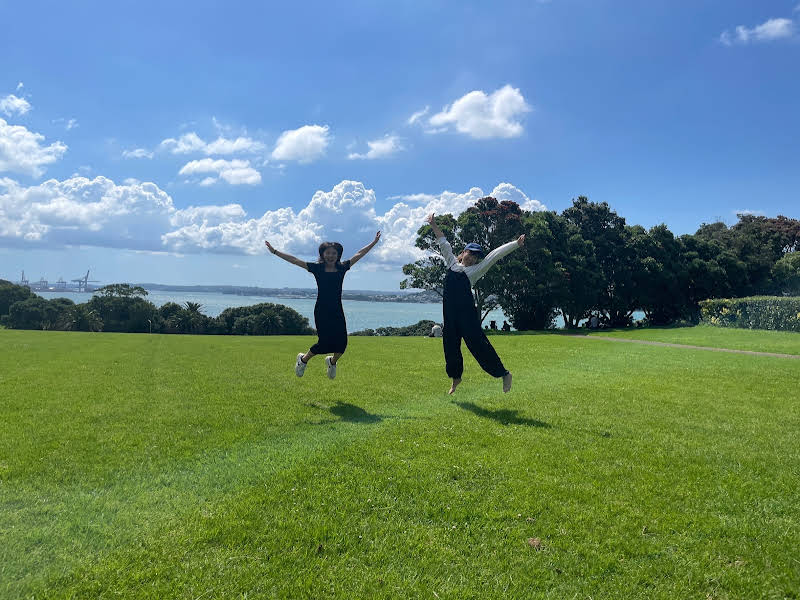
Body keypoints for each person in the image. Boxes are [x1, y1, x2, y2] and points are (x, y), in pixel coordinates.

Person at [425, 213, 525, 394]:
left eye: (476, 257)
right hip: (451, 316)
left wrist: (515, 244)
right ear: (463, 252)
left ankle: (504, 374)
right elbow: (443, 242)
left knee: (478, 345)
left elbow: (494, 256)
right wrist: (433, 224)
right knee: (450, 347)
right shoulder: (451, 264)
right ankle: (456, 378)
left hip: (467, 316)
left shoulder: (476, 271)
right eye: (470, 253)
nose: (472, 258)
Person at [264, 232, 381, 379]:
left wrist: (374, 242)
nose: (331, 256)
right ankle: (303, 360)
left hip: (337, 310)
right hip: (322, 310)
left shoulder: (342, 267)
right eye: (328, 253)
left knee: (342, 344)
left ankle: (332, 362)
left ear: (338, 255)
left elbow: (359, 254)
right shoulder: (317, 268)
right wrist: (274, 251)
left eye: (334, 253)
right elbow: (295, 260)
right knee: (324, 343)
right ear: (323, 254)